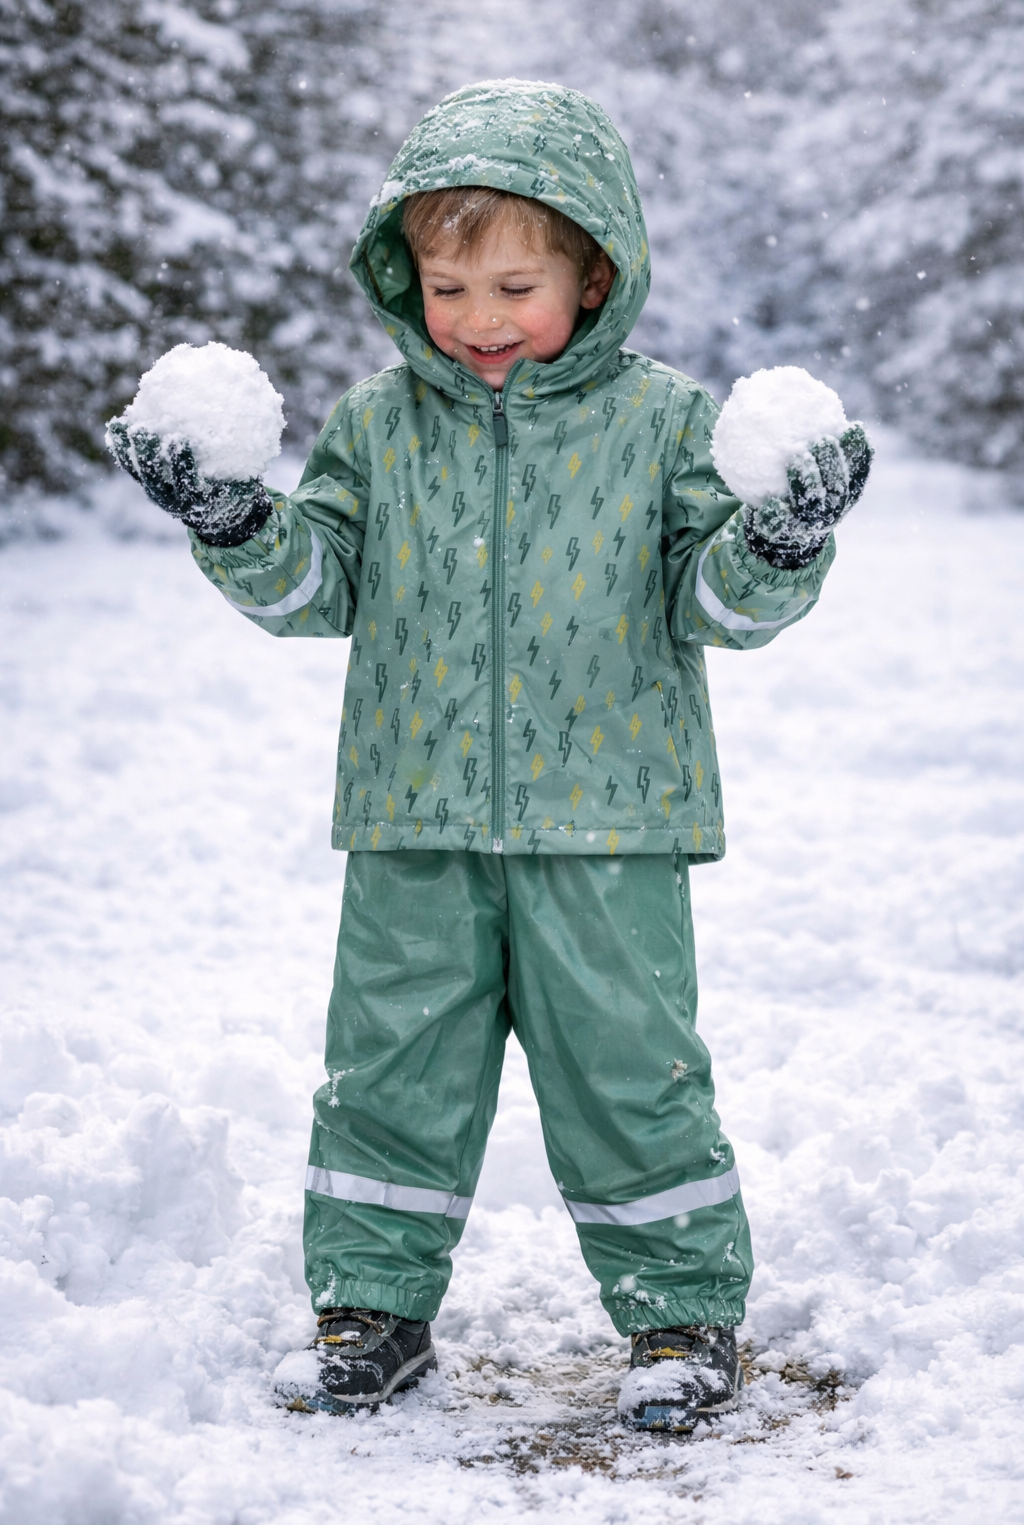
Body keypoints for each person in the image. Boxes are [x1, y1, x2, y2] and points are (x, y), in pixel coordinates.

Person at [108, 79, 871, 1433]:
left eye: (516, 283)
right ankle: (372, 1312)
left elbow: (717, 607)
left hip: (613, 819)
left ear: (597, 271)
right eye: (446, 287)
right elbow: (315, 591)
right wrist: (232, 520)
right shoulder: (378, 427)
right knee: (391, 1068)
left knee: (630, 1072)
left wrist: (776, 545)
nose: (478, 320)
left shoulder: (664, 426)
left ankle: (682, 1316)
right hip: (413, 815)